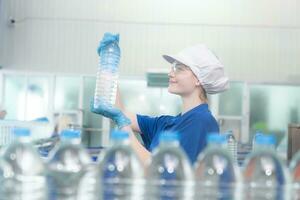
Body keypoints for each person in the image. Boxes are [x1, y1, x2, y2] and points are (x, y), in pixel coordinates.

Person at [91, 44, 229, 164]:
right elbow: (119, 112)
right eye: (172, 68)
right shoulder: (167, 123)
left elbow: (158, 169)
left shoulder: (201, 121)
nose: (170, 73)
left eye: (179, 69)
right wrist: (108, 64)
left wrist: (123, 126)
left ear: (198, 79)